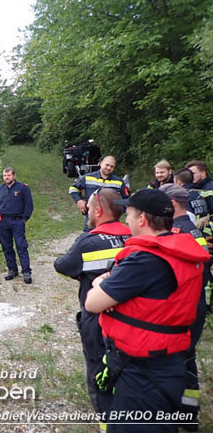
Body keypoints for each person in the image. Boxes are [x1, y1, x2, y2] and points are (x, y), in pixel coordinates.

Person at [85, 189, 210, 433]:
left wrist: (101, 282)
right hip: (169, 363)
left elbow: (92, 303)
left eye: (129, 215)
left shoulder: (144, 260)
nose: (126, 220)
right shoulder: (180, 250)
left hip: (140, 372)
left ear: (142, 219)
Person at [54, 189, 130, 428]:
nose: (86, 210)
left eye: (88, 206)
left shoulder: (88, 242)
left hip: (97, 317)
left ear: (97, 211)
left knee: (98, 365)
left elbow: (62, 266)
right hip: (132, 319)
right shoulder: (135, 235)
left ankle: (108, 422)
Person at [159, 183, 210, 430]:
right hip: (196, 303)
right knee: (187, 359)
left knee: (178, 360)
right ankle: (189, 413)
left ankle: (179, 412)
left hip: (187, 307)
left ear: (172, 205)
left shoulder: (182, 232)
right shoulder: (190, 230)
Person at [0, 167, 34, 283]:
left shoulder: (22, 188)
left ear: (14, 176)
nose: (6, 177)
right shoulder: (0, 190)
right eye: (5, 176)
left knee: (21, 246)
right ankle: (12, 270)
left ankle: (26, 271)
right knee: (7, 247)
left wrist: (24, 219)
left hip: (17, 221)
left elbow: (29, 204)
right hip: (3, 222)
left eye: (9, 175)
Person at [69, 156, 130, 231]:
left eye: (112, 166)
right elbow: (73, 188)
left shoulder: (119, 182)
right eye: (107, 165)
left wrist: (117, 212)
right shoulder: (88, 177)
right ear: (101, 164)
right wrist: (78, 200)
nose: (108, 168)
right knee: (89, 239)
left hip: (110, 220)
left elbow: (126, 200)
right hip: (91, 218)